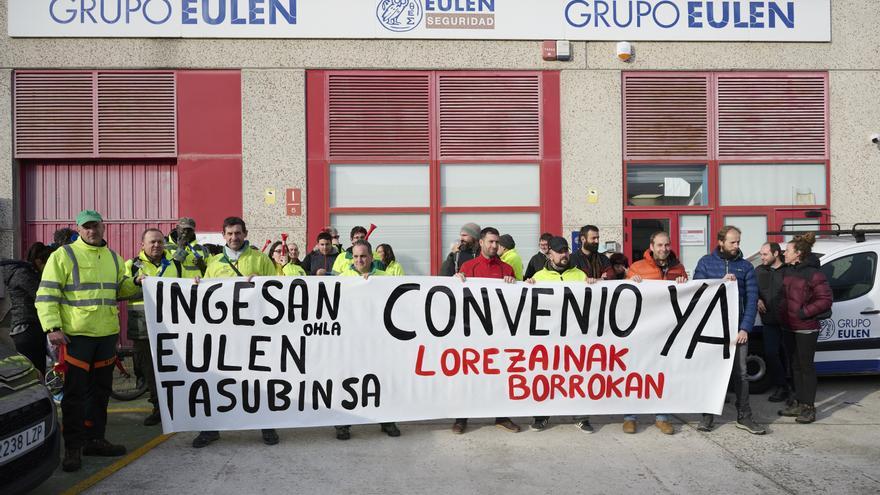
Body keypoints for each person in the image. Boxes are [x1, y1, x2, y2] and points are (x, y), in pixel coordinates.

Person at [36, 210, 144, 472]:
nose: (91, 231)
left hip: (106, 335)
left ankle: (96, 439)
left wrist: (138, 283)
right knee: (74, 395)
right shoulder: (64, 255)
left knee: (101, 392)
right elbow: (47, 293)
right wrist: (52, 327)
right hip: (77, 338)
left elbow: (120, 290)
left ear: (103, 227)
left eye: (95, 226)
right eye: (86, 227)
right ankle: (73, 448)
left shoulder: (113, 258)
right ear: (79, 229)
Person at [191, 217, 280, 449]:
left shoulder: (260, 259)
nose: (234, 237)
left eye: (238, 233)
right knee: (218, 378)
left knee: (259, 379)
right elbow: (205, 299)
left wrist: (261, 283)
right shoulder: (213, 263)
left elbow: (279, 289)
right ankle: (210, 429)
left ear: (245, 233)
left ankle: (266, 425)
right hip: (223, 333)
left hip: (254, 331)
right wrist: (197, 285)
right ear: (223, 235)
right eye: (229, 233)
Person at [693, 225, 765, 435]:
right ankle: (707, 415)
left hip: (736, 330)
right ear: (721, 242)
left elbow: (752, 300)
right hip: (712, 329)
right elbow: (698, 289)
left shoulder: (745, 267)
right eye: (732, 242)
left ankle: (744, 416)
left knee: (741, 373)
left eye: (738, 242)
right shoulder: (705, 263)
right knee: (711, 371)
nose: (736, 246)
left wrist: (745, 328)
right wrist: (719, 283)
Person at [125, 229, 201, 427]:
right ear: (142, 244)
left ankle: (180, 407)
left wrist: (196, 282)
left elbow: (189, 287)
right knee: (150, 372)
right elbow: (120, 291)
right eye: (152, 242)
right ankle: (159, 408)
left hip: (172, 328)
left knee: (176, 368)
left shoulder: (176, 264)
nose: (156, 245)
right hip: (143, 329)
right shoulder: (132, 266)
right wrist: (136, 283)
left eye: (159, 241)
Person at [452, 227, 520, 434]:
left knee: (500, 373)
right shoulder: (468, 266)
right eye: (490, 242)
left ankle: (501, 416)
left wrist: (513, 283)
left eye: (496, 242)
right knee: (468, 375)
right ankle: (461, 417)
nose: (494, 246)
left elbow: (519, 299)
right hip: (472, 332)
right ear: (481, 243)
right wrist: (456, 281)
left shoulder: (507, 269)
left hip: (499, 331)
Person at [525, 236, 596, 433]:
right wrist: (528, 286)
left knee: (577, 375)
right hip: (548, 336)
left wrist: (593, 284)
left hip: (574, 335)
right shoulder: (539, 276)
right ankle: (542, 415)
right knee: (546, 375)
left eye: (566, 250)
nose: (564, 255)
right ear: (550, 254)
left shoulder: (580, 275)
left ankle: (581, 416)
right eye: (559, 251)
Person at [335, 240, 402, 440]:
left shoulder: (385, 277)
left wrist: (374, 284)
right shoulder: (342, 278)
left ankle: (386, 419)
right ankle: (343, 422)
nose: (359, 260)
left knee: (381, 378)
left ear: (371, 257)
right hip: (351, 338)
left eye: (363, 256)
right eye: (355, 256)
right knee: (348, 379)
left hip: (379, 338)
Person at [623, 231, 687, 435]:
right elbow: (624, 298)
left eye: (667, 245)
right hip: (641, 330)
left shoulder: (678, 268)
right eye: (659, 245)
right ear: (651, 246)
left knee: (663, 374)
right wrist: (631, 282)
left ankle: (662, 417)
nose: (664, 249)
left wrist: (685, 284)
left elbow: (687, 297)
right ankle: (630, 417)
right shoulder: (637, 268)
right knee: (636, 372)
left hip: (667, 331)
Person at [777, 233, 832, 424]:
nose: (784, 253)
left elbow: (825, 300)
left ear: (798, 253)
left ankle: (809, 407)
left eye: (788, 250)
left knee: (806, 367)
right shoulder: (788, 271)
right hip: (788, 326)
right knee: (795, 367)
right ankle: (799, 403)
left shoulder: (814, 274)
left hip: (806, 327)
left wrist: (804, 312)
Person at [0, 242, 56, 376]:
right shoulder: (24, 274)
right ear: (38, 261)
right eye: (47, 265)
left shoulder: (27, 272)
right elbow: (41, 296)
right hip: (27, 328)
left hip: (31, 327)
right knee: (34, 371)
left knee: (39, 368)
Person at [756, 242, 789, 403]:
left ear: (776, 254)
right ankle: (781, 386)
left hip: (789, 321)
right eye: (761, 254)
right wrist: (756, 299)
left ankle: (794, 389)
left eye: (765, 254)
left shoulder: (789, 271)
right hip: (769, 321)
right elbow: (750, 289)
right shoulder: (759, 271)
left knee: (790, 355)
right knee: (771, 353)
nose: (762, 257)